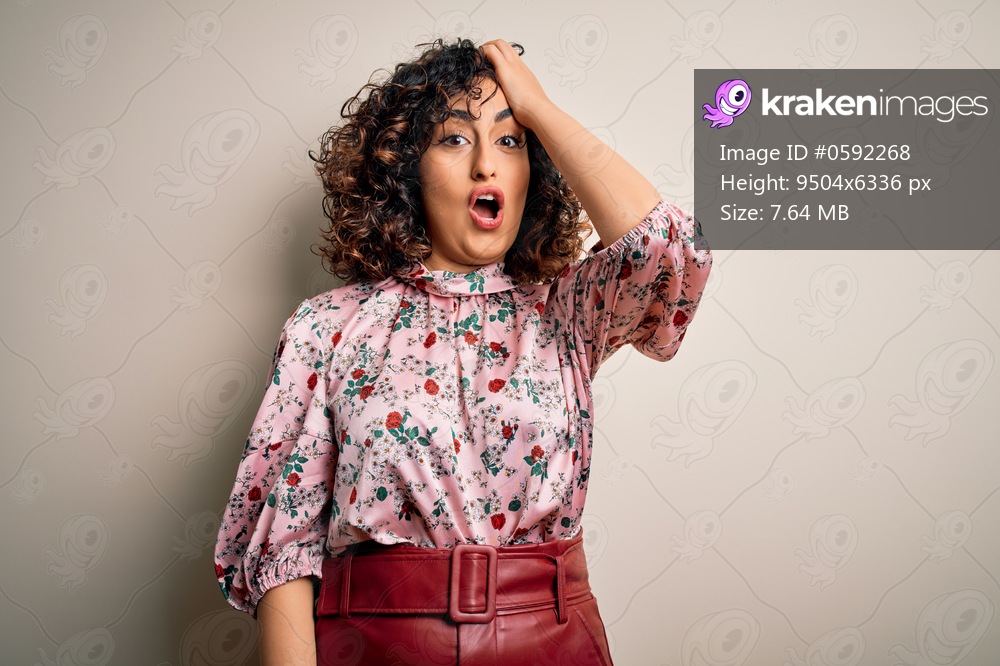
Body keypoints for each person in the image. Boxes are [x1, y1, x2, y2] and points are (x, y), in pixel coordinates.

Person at [215, 37, 712, 665]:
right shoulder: (328, 328)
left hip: (552, 641)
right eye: (453, 138)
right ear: (406, 171)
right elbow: (283, 547)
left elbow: (668, 251)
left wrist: (541, 110)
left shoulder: (564, 315)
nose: (487, 165)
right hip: (376, 643)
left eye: (510, 141)